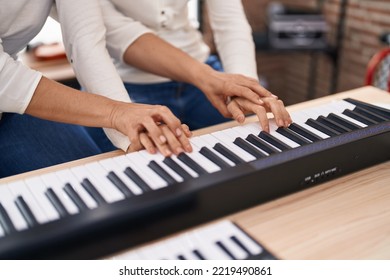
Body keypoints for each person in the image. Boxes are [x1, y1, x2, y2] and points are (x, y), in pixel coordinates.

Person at [0, 0, 193, 178]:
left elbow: (85, 42)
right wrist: (115, 113)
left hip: (11, 108)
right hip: (9, 90)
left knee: (99, 181)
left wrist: (131, 131)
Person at [84, 0, 292, 152]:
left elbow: (229, 20)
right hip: (123, 88)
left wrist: (244, 86)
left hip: (205, 77)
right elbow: (113, 33)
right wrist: (209, 77)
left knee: (258, 146)